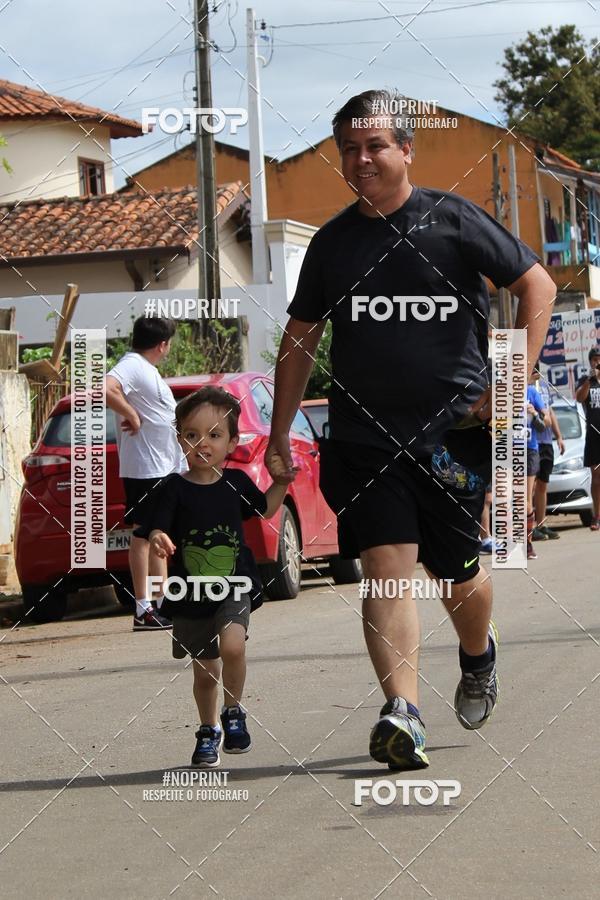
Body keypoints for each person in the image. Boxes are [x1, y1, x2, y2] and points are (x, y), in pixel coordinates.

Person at [266, 88, 556, 771]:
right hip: (365, 438)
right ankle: (404, 712)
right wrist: (280, 433)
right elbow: (300, 339)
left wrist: (507, 383)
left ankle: (478, 656)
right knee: (385, 569)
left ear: (405, 150)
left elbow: (536, 286)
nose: (361, 159)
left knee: (457, 575)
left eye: (375, 147)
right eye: (349, 149)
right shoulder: (334, 244)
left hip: (452, 434)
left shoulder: (452, 222)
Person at [135, 387, 289, 768]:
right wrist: (158, 539)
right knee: (205, 671)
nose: (202, 444)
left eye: (214, 435)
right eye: (191, 435)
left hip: (233, 585)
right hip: (189, 593)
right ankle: (207, 730)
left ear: (232, 441)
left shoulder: (236, 483)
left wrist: (282, 482)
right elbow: (155, 530)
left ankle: (233, 712)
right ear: (179, 439)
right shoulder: (172, 487)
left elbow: (266, 509)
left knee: (233, 646)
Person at [105, 316, 184, 630]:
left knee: (158, 536)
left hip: (160, 467)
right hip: (145, 469)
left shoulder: (146, 369)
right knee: (142, 534)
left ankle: (162, 603)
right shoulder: (133, 365)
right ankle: (143, 608)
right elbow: (105, 387)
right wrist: (131, 414)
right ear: (163, 344)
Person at [533, 365, 565, 541]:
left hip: (546, 442)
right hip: (531, 442)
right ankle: (528, 526)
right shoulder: (525, 388)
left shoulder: (544, 386)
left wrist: (559, 436)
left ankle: (541, 523)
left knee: (543, 484)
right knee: (531, 485)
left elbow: (550, 412)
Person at [575, 347, 600, 531]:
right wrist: (590, 380)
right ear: (590, 361)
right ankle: (597, 515)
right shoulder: (586, 381)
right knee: (596, 477)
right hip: (593, 435)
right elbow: (579, 398)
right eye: (595, 359)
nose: (597, 362)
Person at [525, 375, 549, 560]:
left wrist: (534, 413)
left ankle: (527, 543)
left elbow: (545, 423)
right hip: (507, 450)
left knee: (525, 499)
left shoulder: (532, 392)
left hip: (529, 450)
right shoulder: (501, 393)